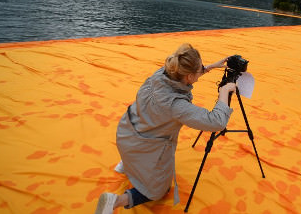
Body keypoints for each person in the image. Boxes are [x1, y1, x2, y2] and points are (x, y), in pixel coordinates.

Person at [94, 43, 237, 214]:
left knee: (147, 128)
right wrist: (224, 92)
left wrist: (211, 67)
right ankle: (116, 200)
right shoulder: (176, 105)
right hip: (142, 146)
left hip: (126, 131)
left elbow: (184, 75)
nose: (201, 71)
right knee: (160, 191)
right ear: (189, 77)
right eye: (200, 69)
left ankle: (127, 164)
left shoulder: (163, 73)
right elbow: (216, 122)